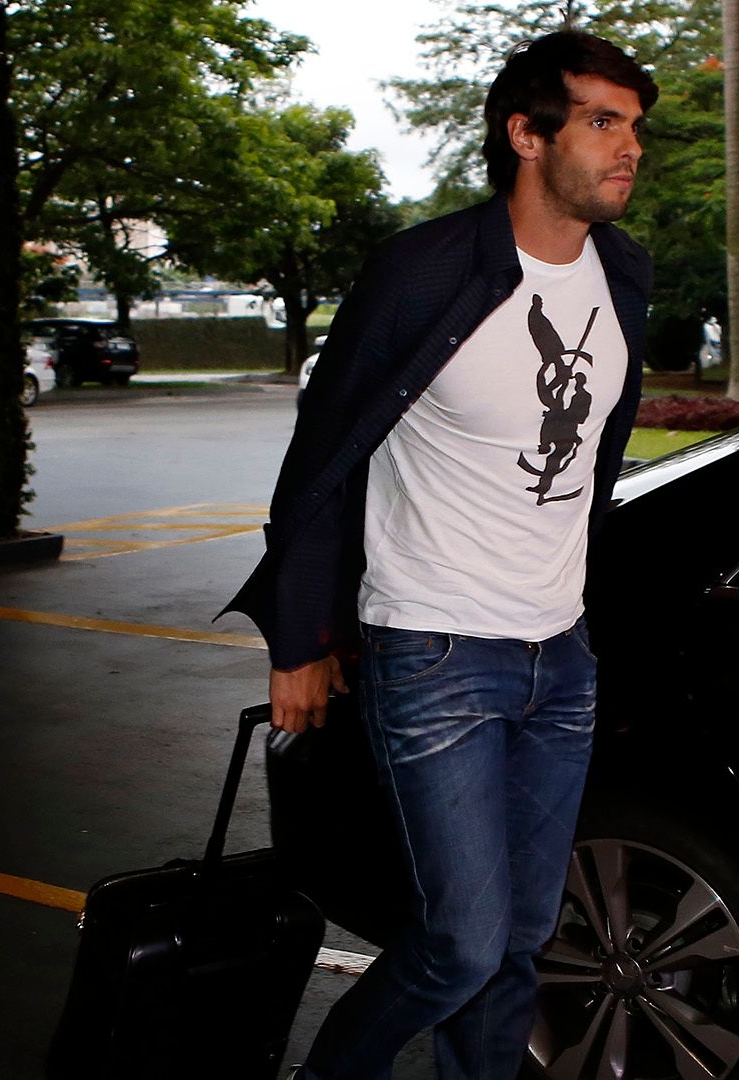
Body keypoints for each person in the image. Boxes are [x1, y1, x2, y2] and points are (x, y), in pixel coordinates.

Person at [220, 30, 657, 1080]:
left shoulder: (624, 275)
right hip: (437, 647)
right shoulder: (425, 274)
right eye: (602, 121)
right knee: (460, 940)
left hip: (562, 655)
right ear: (525, 133)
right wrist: (301, 640)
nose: (629, 148)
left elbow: (594, 462)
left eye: (636, 128)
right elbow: (323, 458)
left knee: (514, 937)